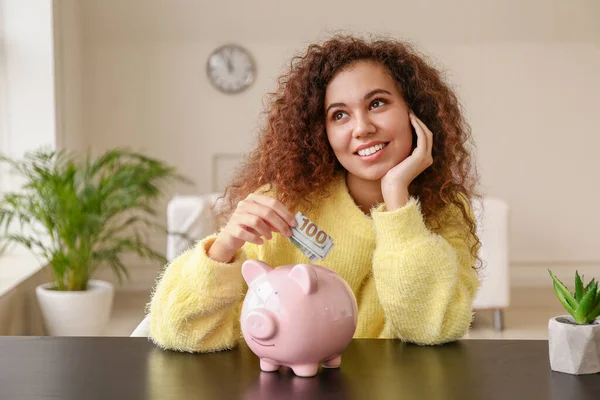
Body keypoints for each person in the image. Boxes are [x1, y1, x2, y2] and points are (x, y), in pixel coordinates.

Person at [149, 35, 481, 352]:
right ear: (321, 132)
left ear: (416, 111)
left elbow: (433, 330)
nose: (362, 127)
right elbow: (178, 331)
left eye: (377, 103)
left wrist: (396, 200)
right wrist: (223, 249)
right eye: (340, 115)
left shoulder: (444, 211)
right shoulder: (284, 202)